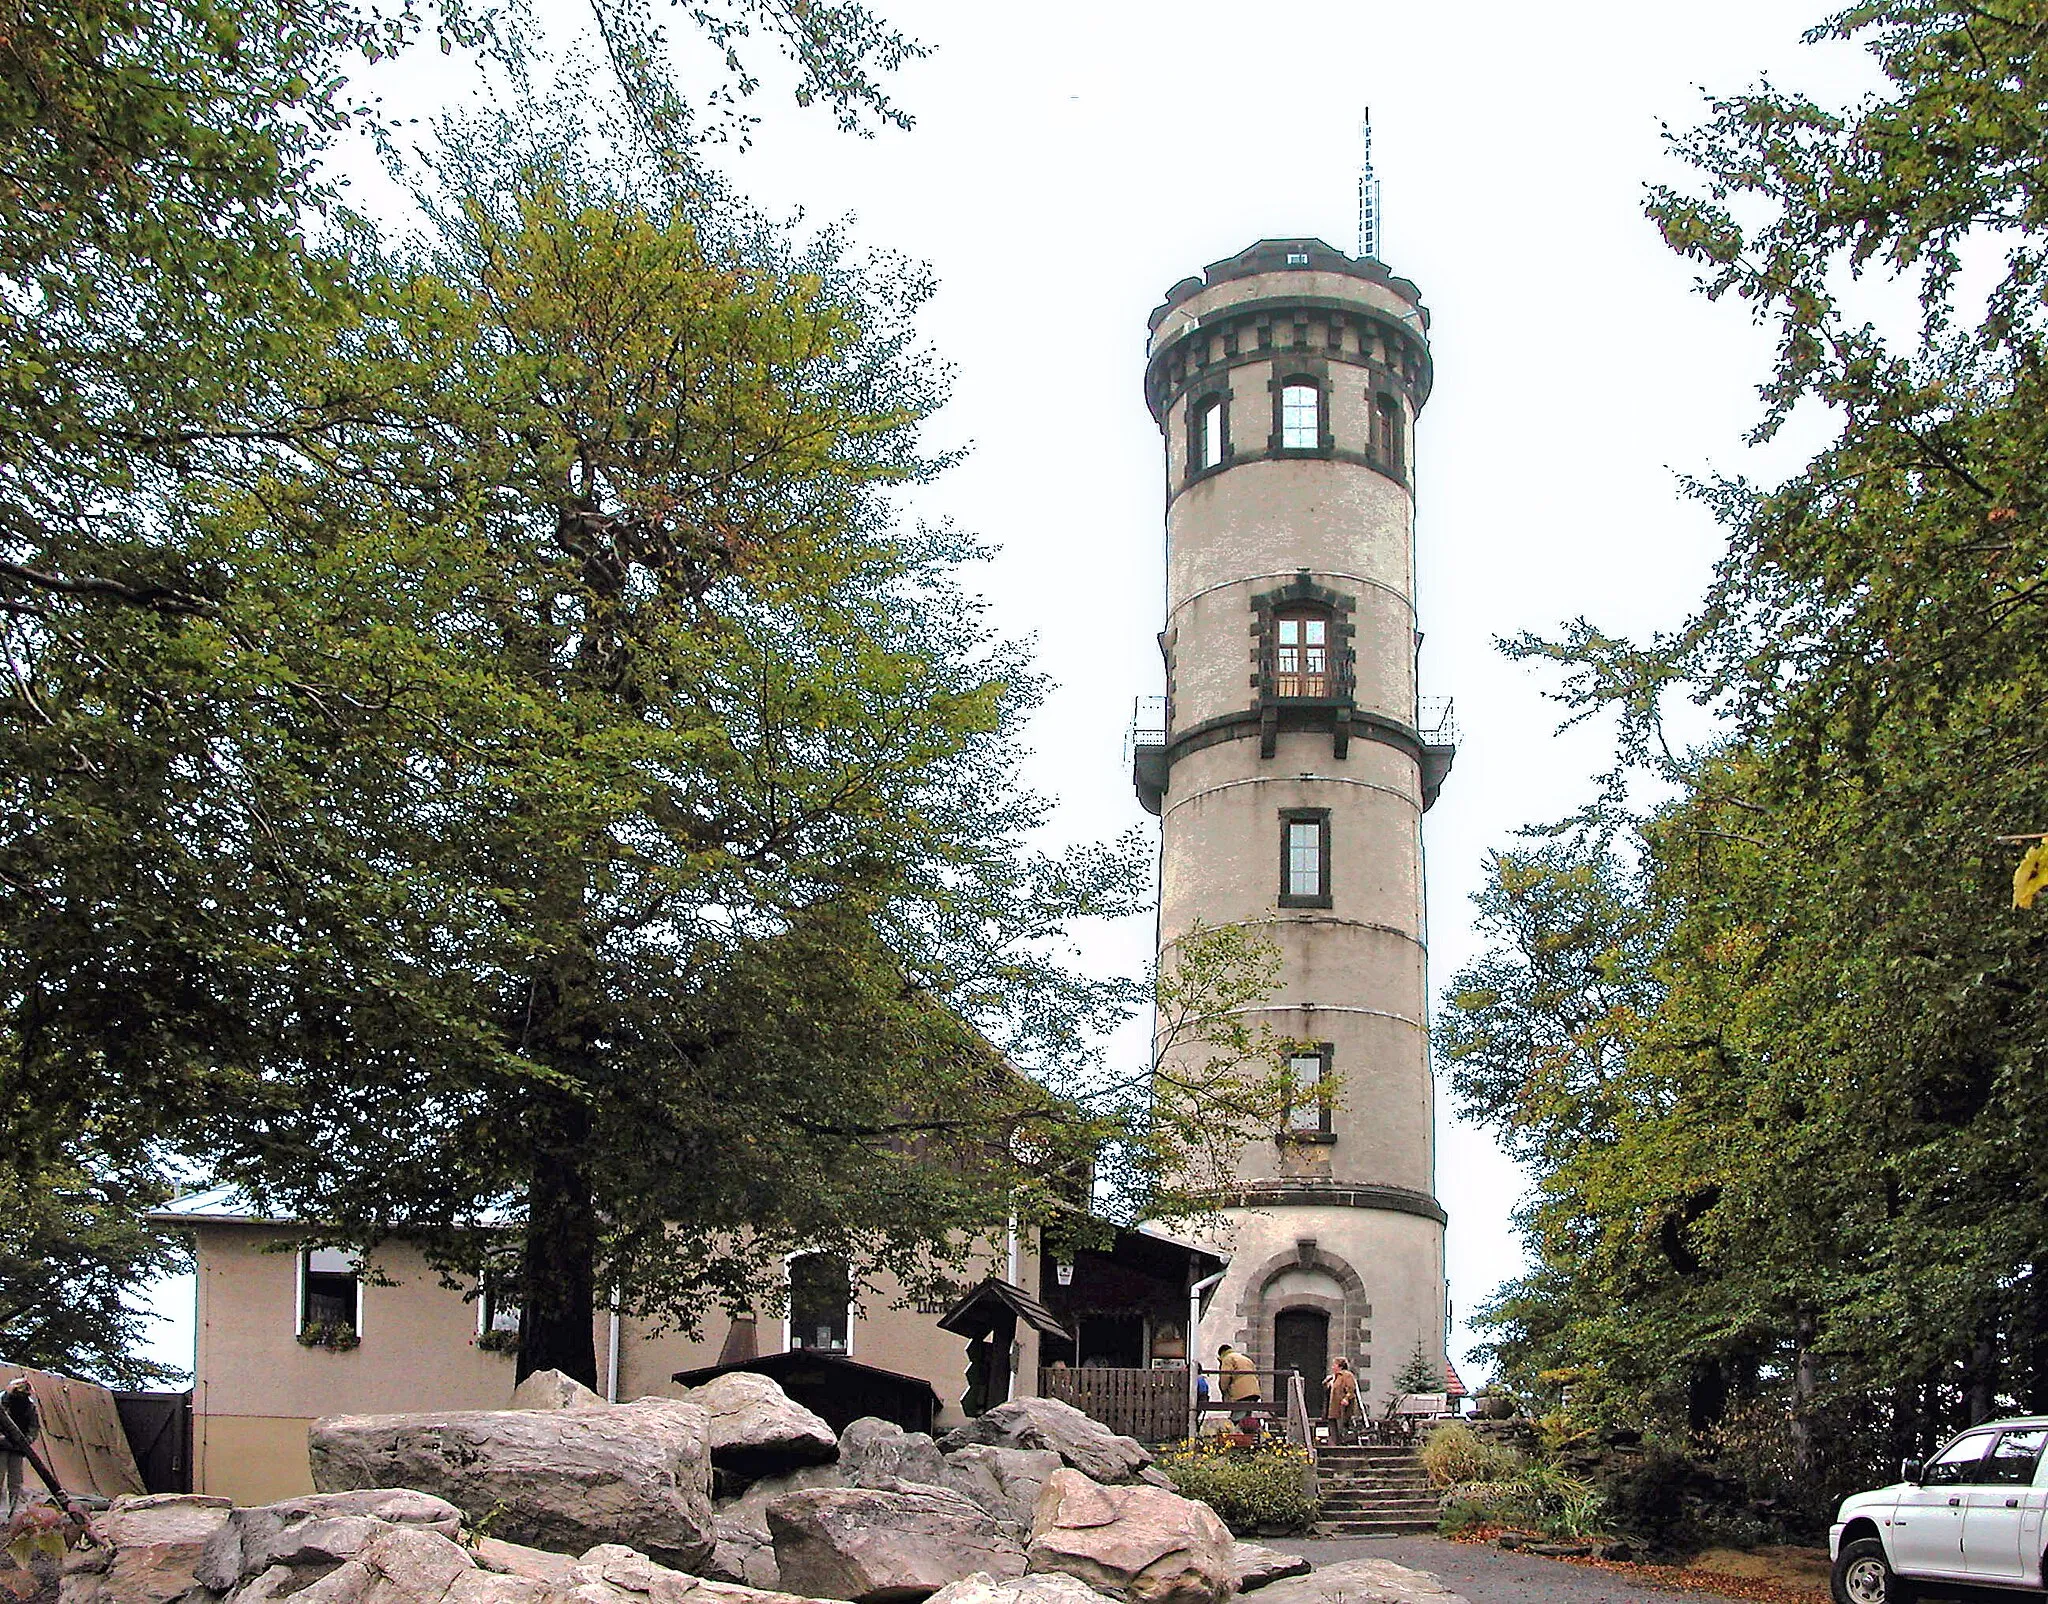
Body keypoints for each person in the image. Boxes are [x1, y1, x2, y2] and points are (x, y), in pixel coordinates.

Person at [1, 1377, 39, 1518]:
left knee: (15, 1482)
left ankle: (14, 1514)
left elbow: (34, 1427)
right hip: (1, 1445)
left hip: (18, 1445)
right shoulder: (2, 1400)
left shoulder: (29, 1405)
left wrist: (27, 1440)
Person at [1323, 1356, 1360, 1443]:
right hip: (1332, 1407)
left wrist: (1346, 1398)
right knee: (1332, 1427)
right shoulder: (1333, 1377)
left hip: (1341, 1408)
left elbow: (1351, 1389)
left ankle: (1343, 1443)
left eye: (1334, 1365)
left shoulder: (1346, 1375)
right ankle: (1334, 1443)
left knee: (1341, 1427)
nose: (1332, 1367)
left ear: (1340, 1366)